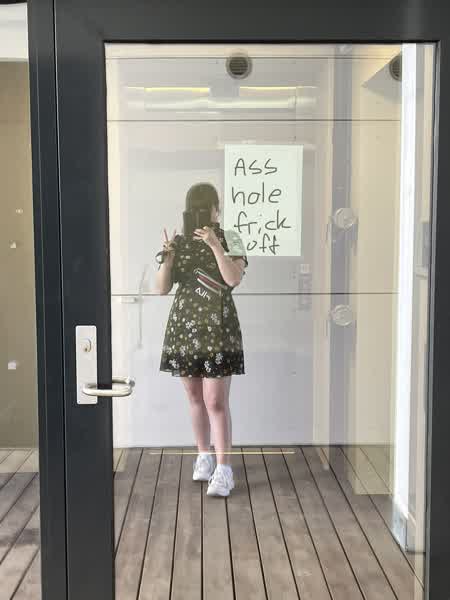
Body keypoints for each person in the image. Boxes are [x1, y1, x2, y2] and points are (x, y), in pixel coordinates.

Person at [155, 182, 247, 497]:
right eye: (195, 208)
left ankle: (224, 470)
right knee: (194, 397)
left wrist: (215, 245)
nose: (202, 213)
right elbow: (161, 289)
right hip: (185, 328)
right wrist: (167, 259)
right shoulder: (179, 243)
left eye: (206, 207)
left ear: (216, 209)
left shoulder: (231, 238)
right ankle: (204, 456)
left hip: (218, 329)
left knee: (215, 401)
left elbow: (233, 278)